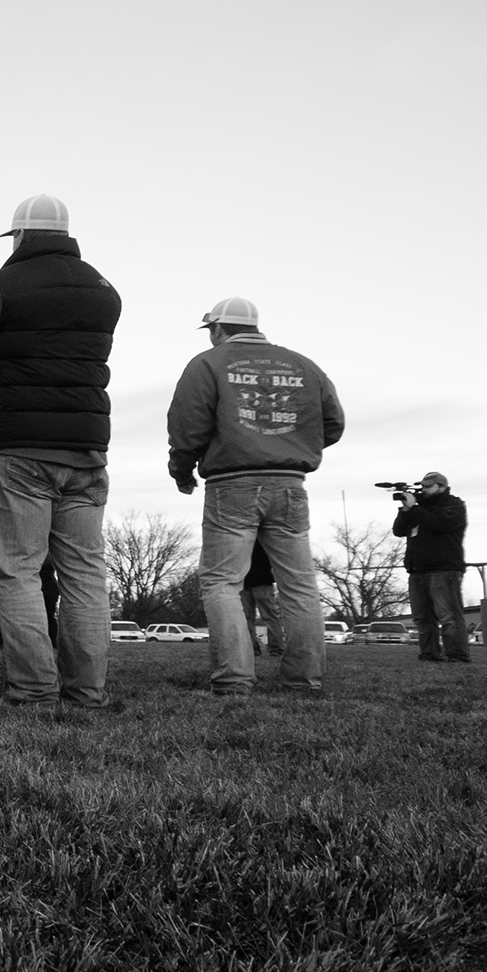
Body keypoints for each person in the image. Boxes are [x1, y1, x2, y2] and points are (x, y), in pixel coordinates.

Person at [0, 194, 123, 710]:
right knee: (86, 572)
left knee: (17, 569)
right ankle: (87, 691)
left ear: (19, 237)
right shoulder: (105, 291)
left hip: (20, 450)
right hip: (87, 452)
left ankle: (33, 690)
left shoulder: (2, 287)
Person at [166, 295, 345, 696]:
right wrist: (291, 445)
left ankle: (233, 681)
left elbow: (186, 425)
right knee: (300, 585)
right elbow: (332, 422)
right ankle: (304, 680)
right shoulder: (304, 365)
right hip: (290, 485)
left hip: (232, 485)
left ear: (216, 329)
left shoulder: (207, 364)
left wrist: (181, 469)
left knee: (222, 583)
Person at [393, 471, 471, 663]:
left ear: (442, 487)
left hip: (443, 569)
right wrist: (405, 510)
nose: (424, 490)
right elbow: (398, 531)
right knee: (422, 618)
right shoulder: (418, 509)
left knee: (449, 616)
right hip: (417, 570)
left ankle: (457, 655)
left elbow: (440, 524)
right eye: (423, 486)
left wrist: (415, 509)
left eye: (428, 486)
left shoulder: (453, 505)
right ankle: (429, 654)